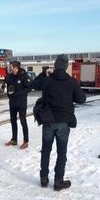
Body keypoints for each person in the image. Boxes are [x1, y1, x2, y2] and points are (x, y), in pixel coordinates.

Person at [32, 54, 86, 191]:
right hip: (63, 122)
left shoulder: (47, 80)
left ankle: (44, 179)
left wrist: (43, 73)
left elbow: (33, 84)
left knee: (46, 150)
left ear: (55, 66)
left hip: (48, 121)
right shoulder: (72, 82)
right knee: (62, 152)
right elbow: (81, 99)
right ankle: (58, 181)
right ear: (66, 66)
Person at [4, 61, 31, 149]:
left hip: (21, 103)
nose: (10, 68)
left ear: (16, 67)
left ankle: (26, 141)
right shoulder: (11, 76)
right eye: (10, 67)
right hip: (12, 103)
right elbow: (9, 88)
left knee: (23, 121)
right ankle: (14, 140)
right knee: (13, 121)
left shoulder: (24, 75)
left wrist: (17, 93)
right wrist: (9, 94)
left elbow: (28, 88)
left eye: (11, 67)